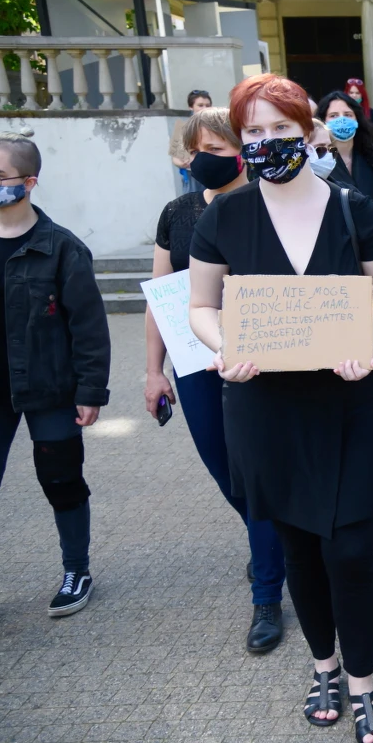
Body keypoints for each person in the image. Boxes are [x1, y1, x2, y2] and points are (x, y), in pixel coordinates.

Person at [187, 74, 373, 743]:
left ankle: (365, 683)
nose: (265, 143)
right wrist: (225, 347)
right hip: (265, 406)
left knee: (348, 550)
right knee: (300, 550)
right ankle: (325, 670)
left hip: (348, 404)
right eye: (252, 132)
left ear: (307, 131)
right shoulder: (222, 217)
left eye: (279, 130)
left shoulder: (353, 210)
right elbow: (200, 308)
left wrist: (367, 343)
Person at [0, 132, 111, 641]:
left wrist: (90, 391)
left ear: (29, 182)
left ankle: (75, 570)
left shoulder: (62, 248)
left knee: (62, 483)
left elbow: (88, 327)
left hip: (50, 391)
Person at [144, 109, 286, 653]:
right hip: (194, 365)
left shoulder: (268, 205)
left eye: (227, 149)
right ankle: (271, 536)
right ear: (187, 155)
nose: (214, 160)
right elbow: (161, 297)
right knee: (227, 474)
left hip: (259, 364)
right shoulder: (176, 214)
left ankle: (267, 596)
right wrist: (154, 369)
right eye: (204, 149)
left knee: (256, 475)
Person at [318, 90, 373, 224]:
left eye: (348, 115)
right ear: (323, 121)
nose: (342, 120)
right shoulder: (319, 162)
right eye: (333, 115)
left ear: (357, 119)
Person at [170, 89, 216, 194]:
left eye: (207, 105)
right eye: (200, 105)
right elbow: (175, 158)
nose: (205, 108)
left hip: (214, 175)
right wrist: (183, 163)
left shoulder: (218, 127)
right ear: (191, 107)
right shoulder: (183, 128)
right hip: (193, 178)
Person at [343, 77, 373, 142]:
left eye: (357, 93)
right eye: (351, 93)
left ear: (362, 95)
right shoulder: (341, 113)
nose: (354, 96)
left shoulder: (371, 112)